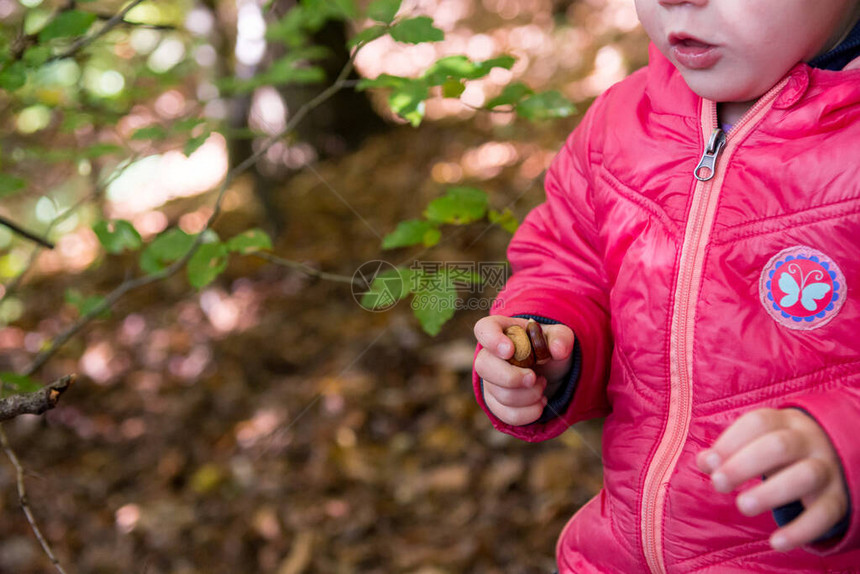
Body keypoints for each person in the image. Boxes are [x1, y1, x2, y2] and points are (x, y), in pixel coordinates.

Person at [471, 0, 860, 572]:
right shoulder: (621, 125)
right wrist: (551, 338)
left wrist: (847, 446)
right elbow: (568, 261)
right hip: (620, 551)